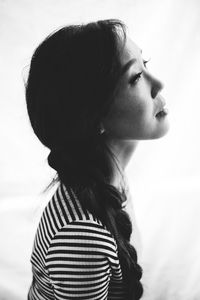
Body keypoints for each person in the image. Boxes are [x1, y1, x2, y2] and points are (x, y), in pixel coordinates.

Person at [25, 19, 169, 300]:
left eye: (146, 64)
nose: (158, 84)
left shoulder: (110, 180)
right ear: (94, 117)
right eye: (136, 77)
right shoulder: (82, 237)